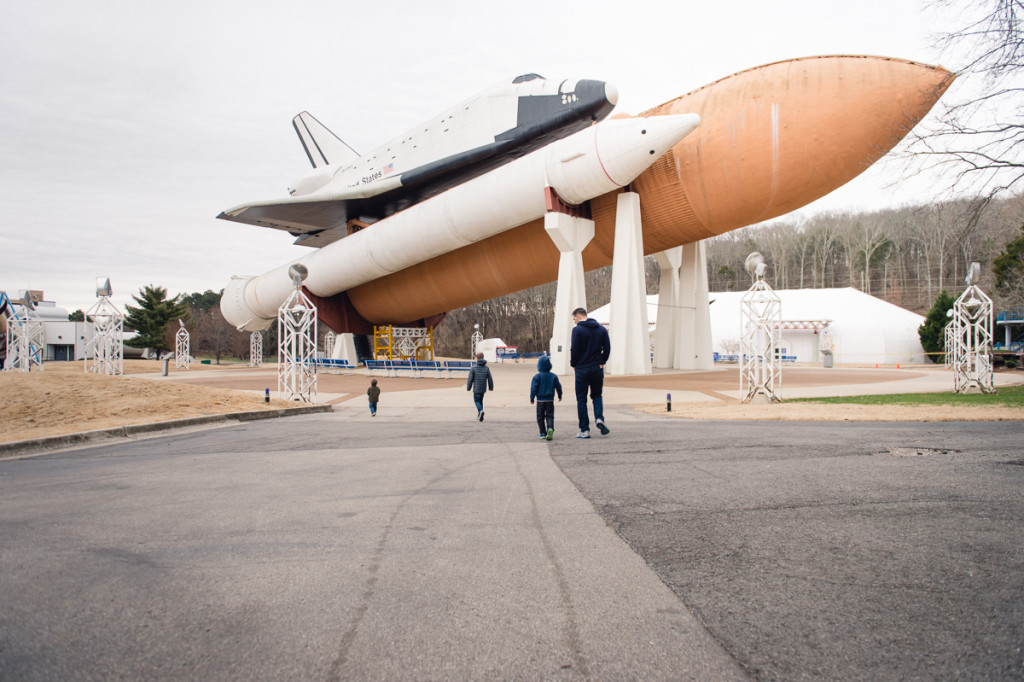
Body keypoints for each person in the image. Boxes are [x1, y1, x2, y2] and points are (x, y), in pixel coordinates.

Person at [570, 307, 610, 438]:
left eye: (574, 319)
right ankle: (599, 418)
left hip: (582, 368)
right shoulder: (601, 329)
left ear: (579, 316)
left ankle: (585, 430)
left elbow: (574, 349)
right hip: (597, 368)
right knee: (597, 395)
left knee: (581, 399)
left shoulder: (577, 330)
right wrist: (602, 361)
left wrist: (573, 364)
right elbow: (607, 348)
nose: (574, 321)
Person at [530, 354, 563, 440]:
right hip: (550, 400)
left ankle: (542, 433)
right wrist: (560, 395)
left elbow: (534, 388)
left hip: (540, 400)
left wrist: (532, 397)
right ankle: (550, 428)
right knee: (550, 415)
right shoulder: (553, 376)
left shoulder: (537, 377)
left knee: (540, 417)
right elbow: (558, 387)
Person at [466, 351, 493, 421]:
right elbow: (490, 378)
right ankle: (480, 415)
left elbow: (470, 379)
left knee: (477, 401)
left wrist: (468, 387)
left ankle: (481, 411)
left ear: (477, 359)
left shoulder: (473, 368)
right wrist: (491, 387)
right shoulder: (486, 368)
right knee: (480, 400)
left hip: (476, 388)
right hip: (483, 388)